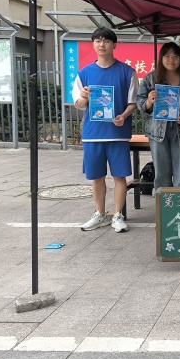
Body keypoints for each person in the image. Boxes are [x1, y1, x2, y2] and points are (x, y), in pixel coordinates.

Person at [72, 27, 139, 233]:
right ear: (93, 44)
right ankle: (100, 214)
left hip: (117, 134)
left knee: (119, 176)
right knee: (96, 176)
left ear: (114, 45)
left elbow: (133, 103)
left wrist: (123, 116)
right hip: (93, 135)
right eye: (98, 40)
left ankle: (118, 215)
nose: (102, 44)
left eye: (106, 41)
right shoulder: (84, 73)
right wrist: (84, 97)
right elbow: (78, 104)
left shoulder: (127, 72)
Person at [137, 42, 180, 190]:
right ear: (161, 58)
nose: (171, 60)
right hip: (157, 132)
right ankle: (163, 203)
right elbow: (140, 103)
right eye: (167, 56)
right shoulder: (151, 78)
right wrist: (149, 102)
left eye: (175, 56)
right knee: (162, 174)